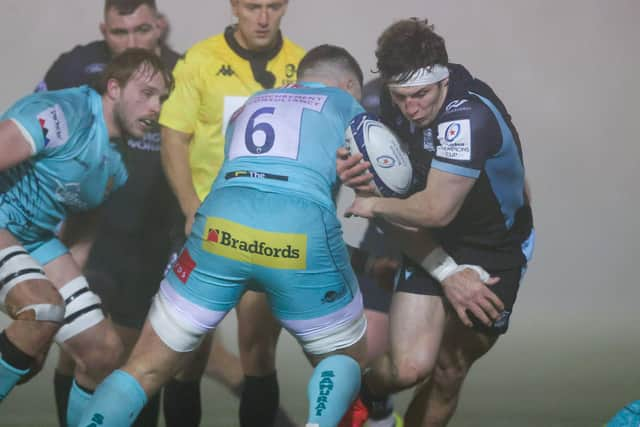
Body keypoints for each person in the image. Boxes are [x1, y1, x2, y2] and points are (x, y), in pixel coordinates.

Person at [77, 43, 370, 427]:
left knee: (145, 368)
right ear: (348, 85)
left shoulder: (252, 103)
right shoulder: (345, 103)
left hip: (218, 229)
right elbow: (385, 168)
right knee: (341, 359)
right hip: (294, 240)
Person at [338, 18, 534, 426]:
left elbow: (434, 208)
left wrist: (372, 205)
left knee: (449, 371)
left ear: (442, 79)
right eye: (401, 96)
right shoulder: (381, 105)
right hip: (429, 236)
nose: (412, 108)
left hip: (495, 249)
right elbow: (415, 210)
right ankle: (367, 398)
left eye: (422, 94)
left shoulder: (468, 116)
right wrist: (349, 169)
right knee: (409, 367)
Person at [34, 2, 211, 426]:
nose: (132, 42)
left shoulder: (185, 72)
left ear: (161, 27)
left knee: (136, 358)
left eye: (142, 29)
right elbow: (34, 135)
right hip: (86, 237)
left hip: (151, 240)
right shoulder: (76, 67)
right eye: (119, 32)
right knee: (76, 352)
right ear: (104, 30)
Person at [0, 48, 171, 425]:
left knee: (104, 352)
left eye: (161, 98)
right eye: (146, 93)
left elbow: (79, 236)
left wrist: (43, 334)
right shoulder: (62, 115)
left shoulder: (115, 167)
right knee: (42, 308)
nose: (155, 107)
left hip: (36, 238)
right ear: (113, 87)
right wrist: (40, 316)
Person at [159, 0, 304, 425]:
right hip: (205, 226)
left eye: (273, 6)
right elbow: (173, 138)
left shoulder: (301, 64)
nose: (262, 17)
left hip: (269, 230)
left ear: (285, 7)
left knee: (258, 351)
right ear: (234, 7)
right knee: (188, 353)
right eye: (252, 6)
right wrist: (191, 209)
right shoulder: (201, 60)